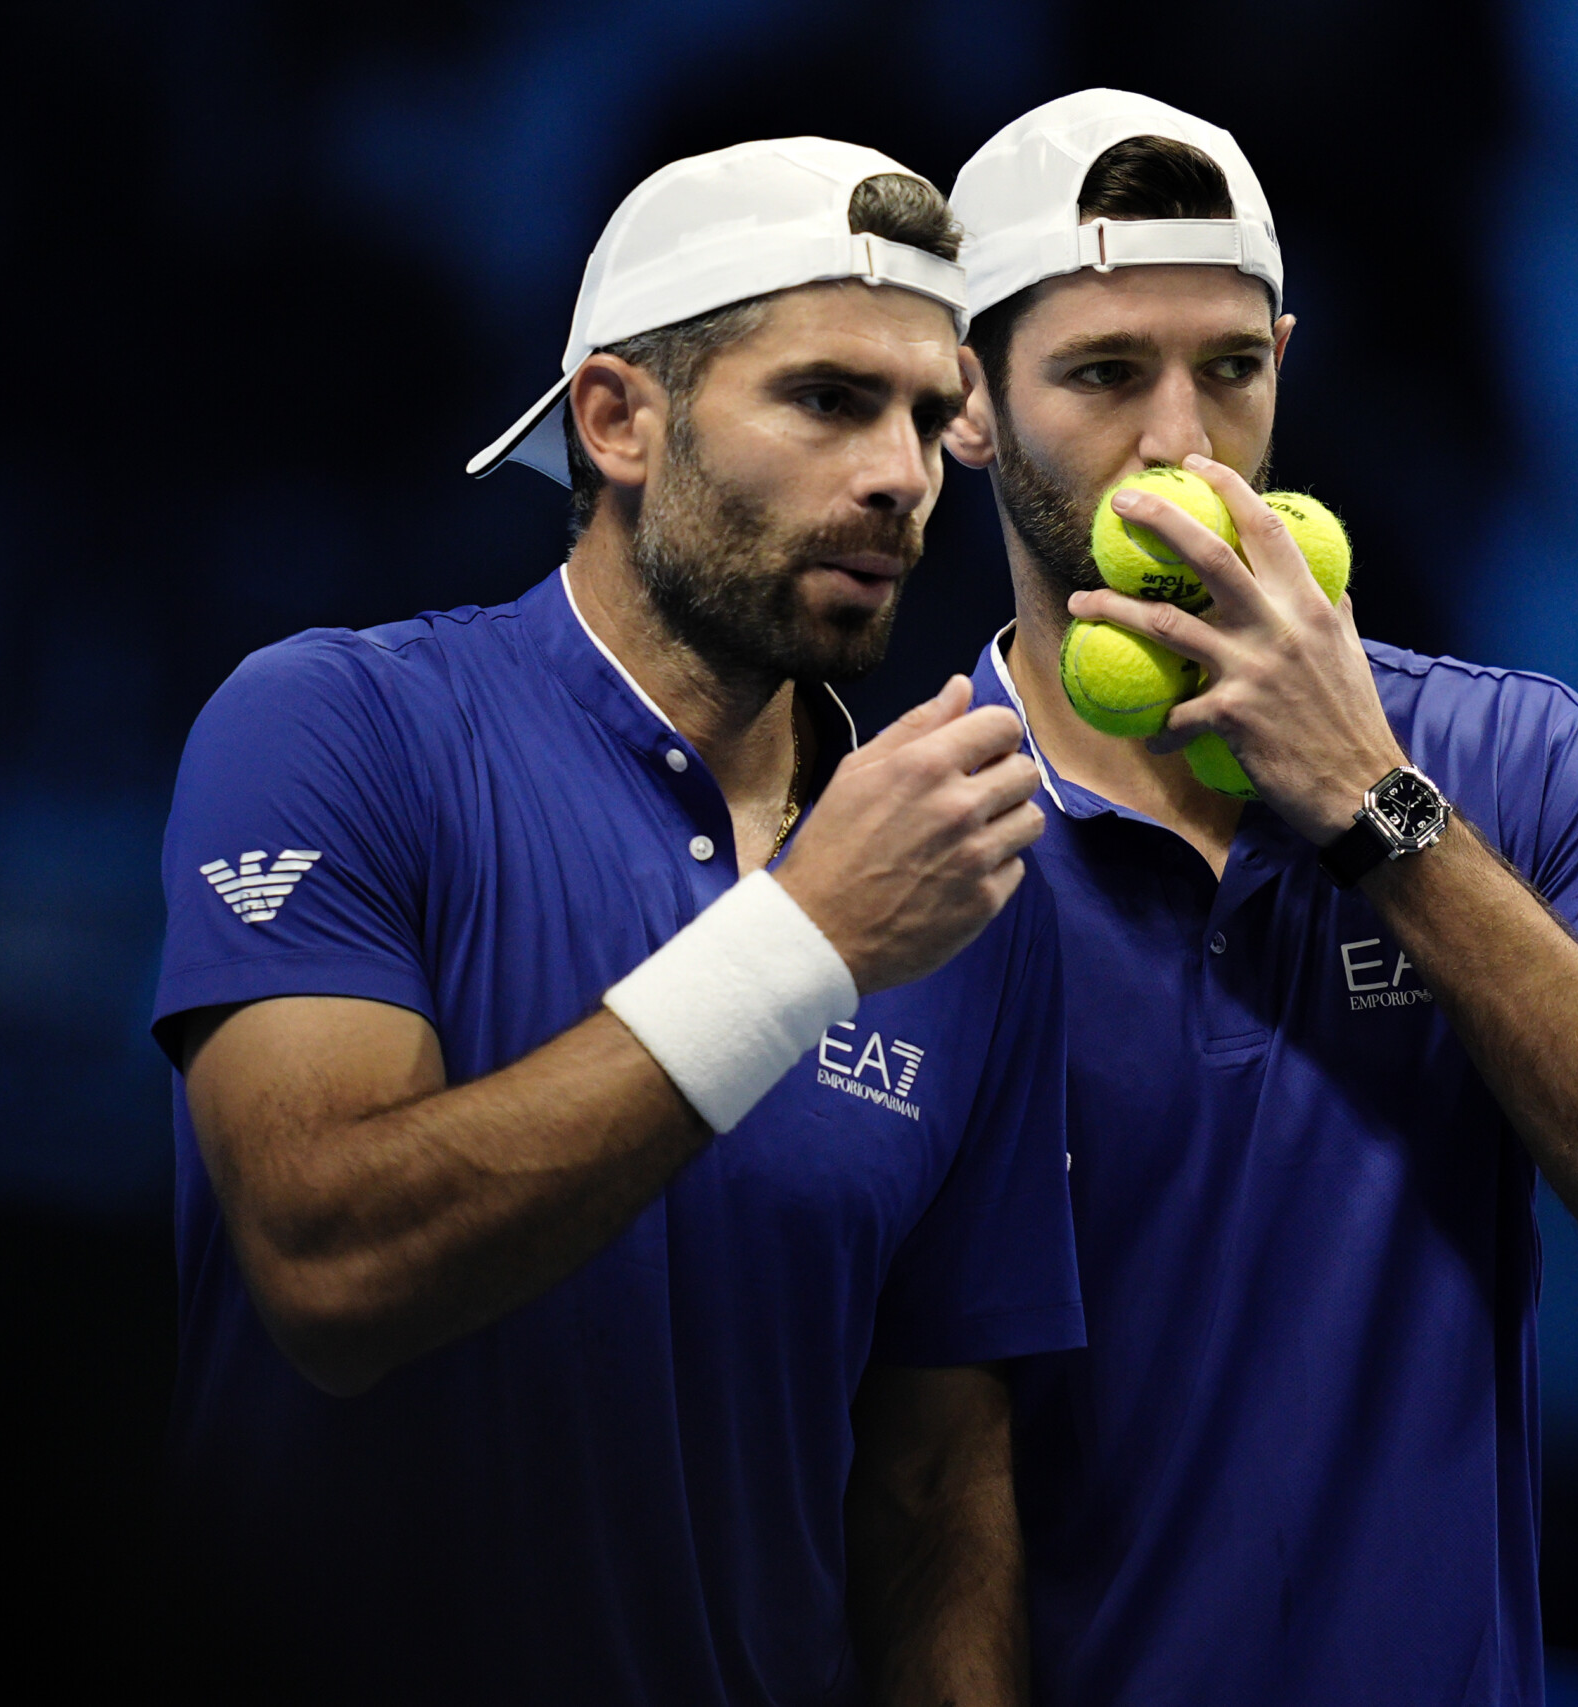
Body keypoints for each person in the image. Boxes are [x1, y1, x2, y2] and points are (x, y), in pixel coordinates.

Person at [152, 138, 1078, 1706]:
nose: (904, 475)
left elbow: (932, 1497)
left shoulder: (965, 879)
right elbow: (331, 1265)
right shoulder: (330, 724)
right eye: (830, 399)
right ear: (617, 418)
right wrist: (809, 941)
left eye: (932, 417)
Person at [940, 91, 1578, 1703]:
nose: (1184, 447)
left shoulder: (1519, 758)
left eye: (1231, 369)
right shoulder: (894, 838)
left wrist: (1373, 810)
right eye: (1106, 374)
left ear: (1287, 354)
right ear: (968, 402)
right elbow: (901, 1481)